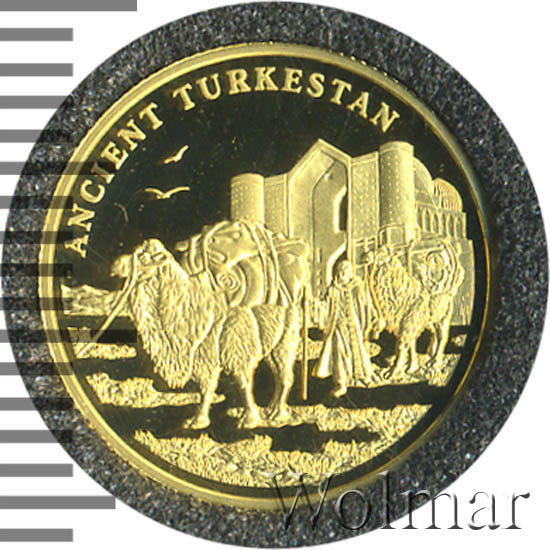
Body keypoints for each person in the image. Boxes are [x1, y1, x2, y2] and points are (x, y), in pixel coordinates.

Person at [312, 260, 372, 397]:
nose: (343, 274)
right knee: (339, 352)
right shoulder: (332, 289)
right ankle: (341, 382)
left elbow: (364, 305)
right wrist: (315, 305)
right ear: (337, 273)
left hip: (353, 325)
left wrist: (367, 322)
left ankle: (362, 375)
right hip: (337, 326)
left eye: (346, 271)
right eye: (341, 271)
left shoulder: (356, 286)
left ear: (350, 273)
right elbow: (325, 305)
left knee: (358, 349)